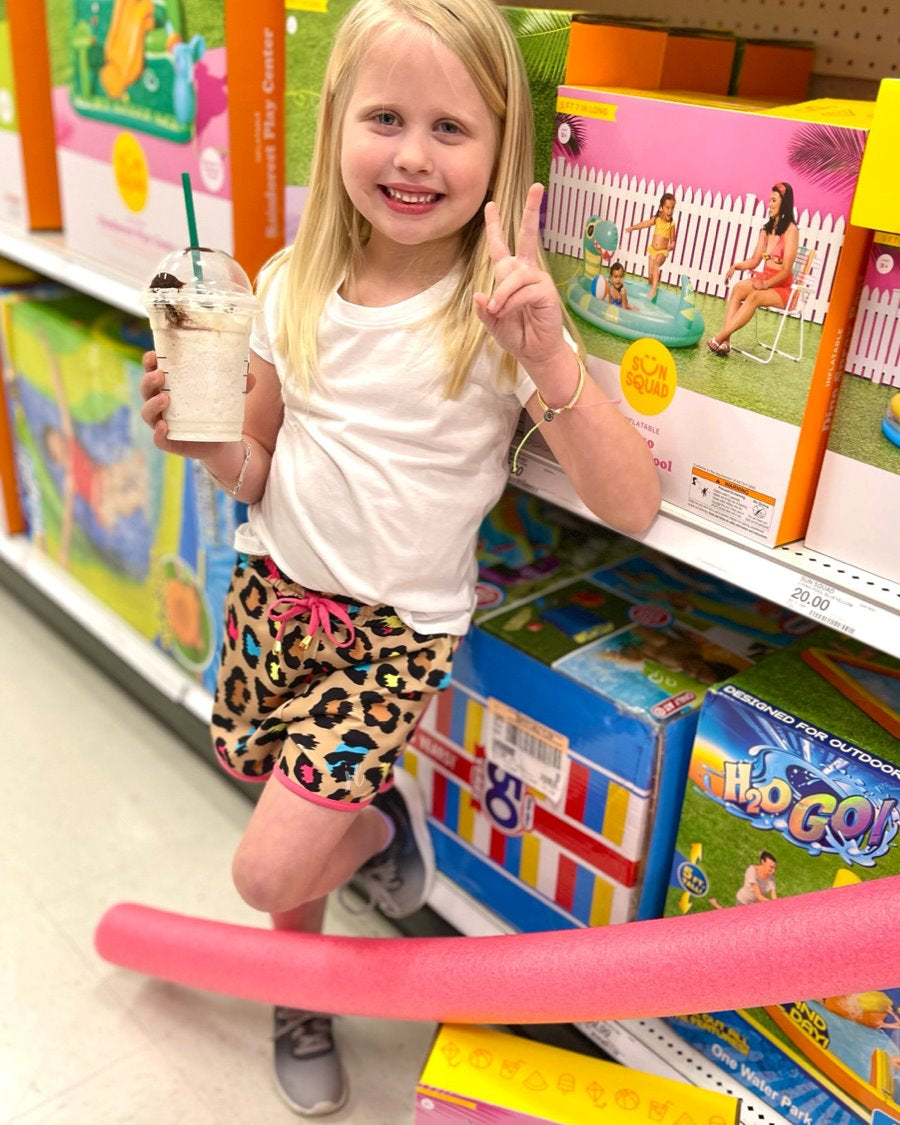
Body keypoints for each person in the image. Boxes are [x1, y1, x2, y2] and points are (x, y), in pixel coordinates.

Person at [139, 0, 660, 1113]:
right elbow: (259, 466)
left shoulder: (493, 313)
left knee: (268, 864)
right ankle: (301, 990)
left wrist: (548, 348)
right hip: (271, 598)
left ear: (501, 149)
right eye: (385, 117)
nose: (413, 156)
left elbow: (634, 505)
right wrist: (206, 439)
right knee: (271, 791)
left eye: (451, 129)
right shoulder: (288, 284)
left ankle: (377, 827)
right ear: (335, 126)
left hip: (389, 641)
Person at [708, 181, 799, 356]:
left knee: (755, 296)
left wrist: (765, 285)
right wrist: (736, 266)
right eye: (769, 200)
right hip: (765, 279)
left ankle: (719, 337)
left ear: (784, 202)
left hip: (782, 288)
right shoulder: (766, 230)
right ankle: (726, 342)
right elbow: (755, 260)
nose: (769, 204)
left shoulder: (791, 230)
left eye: (773, 200)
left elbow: (786, 269)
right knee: (738, 288)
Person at [626, 192, 677, 300]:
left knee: (656, 265)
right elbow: (644, 224)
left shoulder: (671, 224)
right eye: (667, 208)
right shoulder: (656, 220)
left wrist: (670, 247)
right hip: (652, 251)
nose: (670, 211)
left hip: (662, 252)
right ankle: (650, 294)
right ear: (661, 208)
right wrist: (632, 228)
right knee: (650, 275)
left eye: (672, 208)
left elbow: (673, 241)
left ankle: (653, 290)